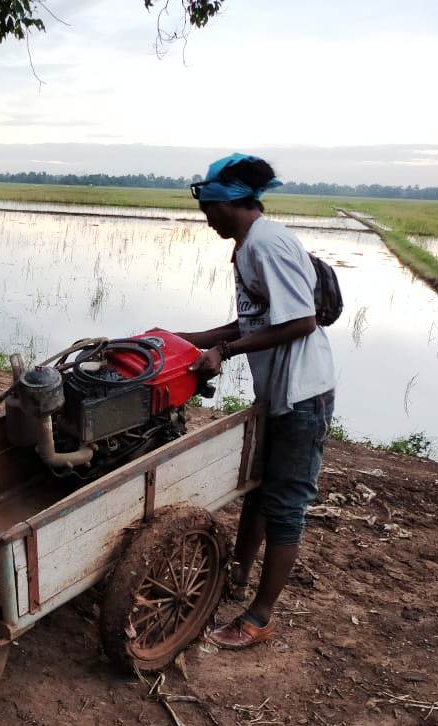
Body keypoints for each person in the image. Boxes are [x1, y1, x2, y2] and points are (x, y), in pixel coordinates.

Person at [175, 153, 335, 650]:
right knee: (258, 492)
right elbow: (251, 324)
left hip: (303, 395)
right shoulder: (248, 246)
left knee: (285, 505)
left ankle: (259, 617)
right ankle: (236, 577)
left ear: (230, 202)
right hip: (280, 396)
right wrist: (182, 339)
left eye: (209, 208)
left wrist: (224, 352)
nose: (205, 218)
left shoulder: (268, 243)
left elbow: (301, 322)